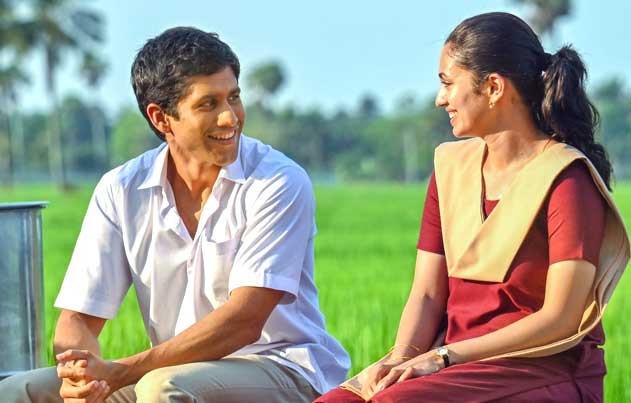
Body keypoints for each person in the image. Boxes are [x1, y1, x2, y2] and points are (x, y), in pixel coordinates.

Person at [0, 26, 349, 402]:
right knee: (19, 391)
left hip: (281, 369)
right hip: (169, 373)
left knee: (161, 387)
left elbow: (244, 321)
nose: (230, 118)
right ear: (161, 118)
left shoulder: (278, 181)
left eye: (233, 97)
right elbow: (78, 318)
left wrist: (122, 372)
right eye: (208, 104)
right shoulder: (121, 189)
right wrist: (81, 375)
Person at [317, 12, 629, 403]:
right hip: (455, 364)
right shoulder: (450, 168)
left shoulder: (566, 178)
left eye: (448, 83)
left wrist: (444, 357)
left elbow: (561, 318)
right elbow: (427, 293)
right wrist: (400, 358)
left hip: (540, 367)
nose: (440, 99)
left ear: (494, 87)